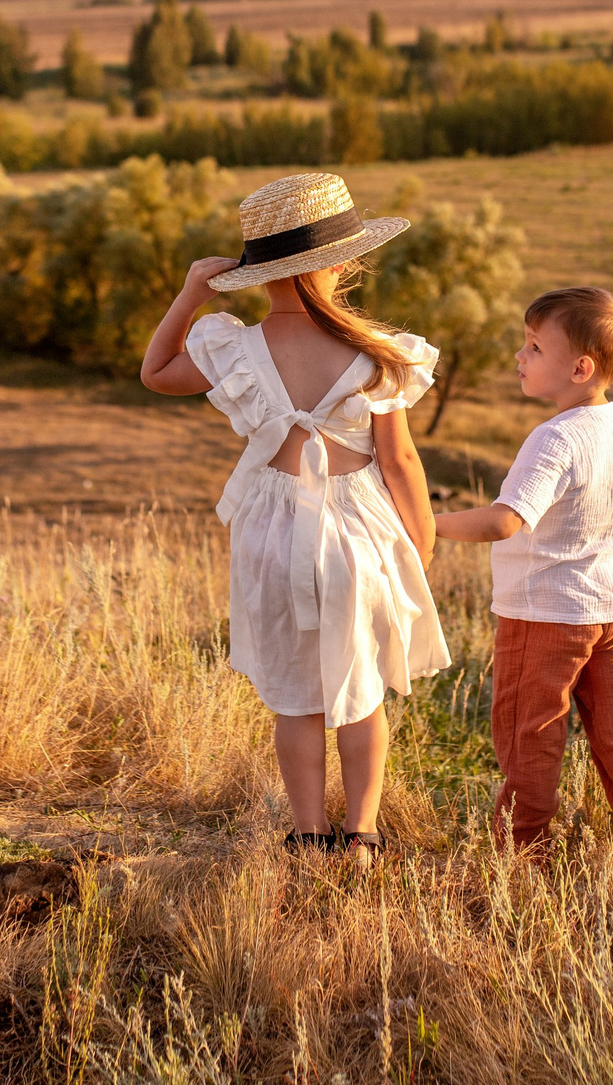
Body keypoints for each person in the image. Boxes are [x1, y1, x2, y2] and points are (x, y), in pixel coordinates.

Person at [139, 172, 449, 855]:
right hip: (361, 534)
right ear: (339, 264)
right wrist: (417, 551)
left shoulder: (233, 347)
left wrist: (192, 292)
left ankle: (308, 839)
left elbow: (156, 371)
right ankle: (361, 839)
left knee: (297, 699)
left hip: (273, 532)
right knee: (361, 692)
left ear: (261, 272)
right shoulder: (378, 354)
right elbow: (400, 463)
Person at [435, 285, 613, 864]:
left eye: (534, 347)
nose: (520, 357)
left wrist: (422, 521)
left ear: (579, 367)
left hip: (545, 613)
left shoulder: (555, 439)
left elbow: (504, 521)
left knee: (532, 738)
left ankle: (523, 861)